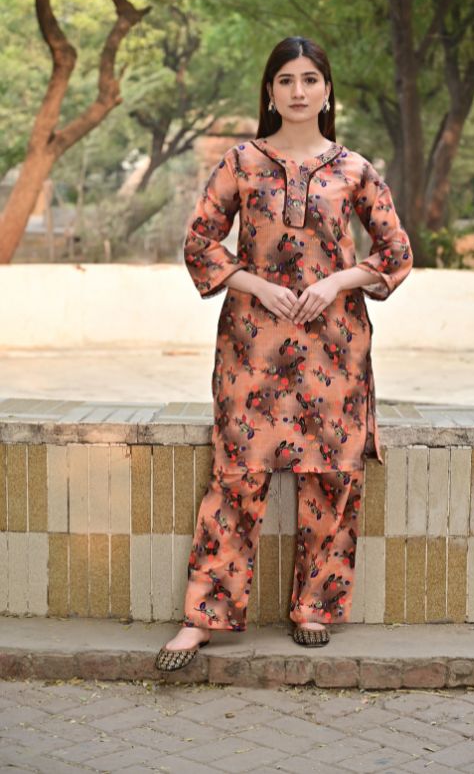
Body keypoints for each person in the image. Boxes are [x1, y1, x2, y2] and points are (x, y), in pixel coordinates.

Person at [155, 35, 413, 672]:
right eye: (286, 80)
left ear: (327, 90)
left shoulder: (354, 170)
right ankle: (203, 618)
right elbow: (200, 242)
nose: (299, 91)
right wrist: (256, 285)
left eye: (310, 79)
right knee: (237, 474)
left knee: (332, 475)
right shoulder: (241, 162)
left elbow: (395, 252)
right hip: (253, 343)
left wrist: (337, 281)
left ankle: (314, 608)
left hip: (335, 346)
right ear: (269, 92)